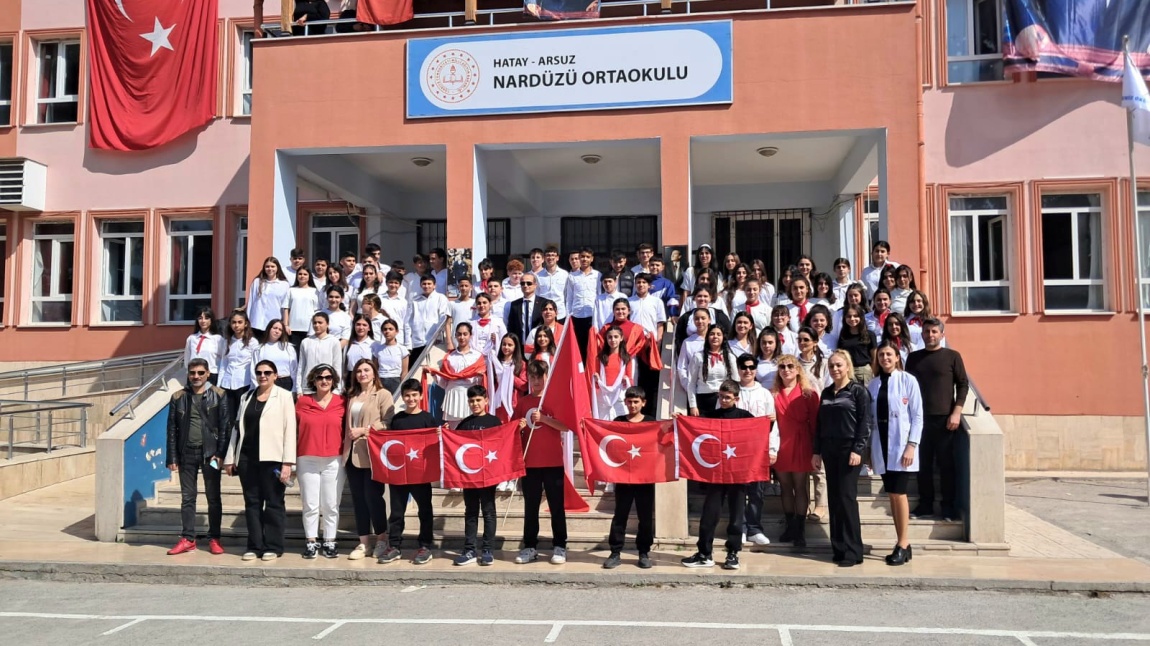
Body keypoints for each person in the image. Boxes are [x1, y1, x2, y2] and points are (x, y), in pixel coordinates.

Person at [224, 359, 296, 562]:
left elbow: (290, 430)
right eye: (259, 372)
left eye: (267, 372)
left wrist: (287, 462)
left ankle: (273, 546)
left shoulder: (283, 397)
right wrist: (231, 457)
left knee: (273, 503)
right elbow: (237, 428)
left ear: (275, 375)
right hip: (247, 458)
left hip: (272, 458)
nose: (262, 376)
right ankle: (255, 545)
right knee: (252, 503)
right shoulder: (247, 396)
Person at [682, 379, 755, 570]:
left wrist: (770, 422)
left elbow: (759, 434)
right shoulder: (711, 416)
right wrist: (679, 419)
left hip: (738, 474)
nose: (723, 400)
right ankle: (704, 553)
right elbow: (693, 427)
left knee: (737, 516)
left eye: (727, 398)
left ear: (736, 398)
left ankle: (733, 553)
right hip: (715, 474)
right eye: (721, 396)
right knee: (709, 514)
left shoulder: (746, 417)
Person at [165, 358, 232, 556]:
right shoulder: (178, 397)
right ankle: (187, 538)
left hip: (211, 453)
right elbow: (171, 430)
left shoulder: (219, 395)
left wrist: (220, 453)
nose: (196, 376)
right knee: (187, 498)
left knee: (213, 498)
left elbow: (225, 427)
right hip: (186, 453)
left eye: (200, 373)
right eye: (193, 373)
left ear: (208, 374)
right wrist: (172, 457)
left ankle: (214, 538)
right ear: (188, 374)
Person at [905, 318, 969, 522]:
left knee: (946, 465)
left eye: (934, 331)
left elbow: (963, 384)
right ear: (921, 334)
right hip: (918, 420)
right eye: (926, 332)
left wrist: (956, 412)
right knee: (922, 465)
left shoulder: (952, 356)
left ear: (942, 334)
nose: (930, 335)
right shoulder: (913, 358)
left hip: (944, 420)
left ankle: (948, 508)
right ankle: (925, 505)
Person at [814, 350, 872, 567]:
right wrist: (816, 451)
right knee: (834, 499)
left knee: (847, 499)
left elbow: (865, 423)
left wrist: (858, 450)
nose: (835, 369)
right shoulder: (827, 392)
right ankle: (838, 547)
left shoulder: (858, 391)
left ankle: (853, 550)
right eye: (831, 366)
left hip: (850, 450)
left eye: (839, 365)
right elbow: (819, 424)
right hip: (829, 450)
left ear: (847, 366)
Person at [869, 342, 923, 566]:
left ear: (897, 357)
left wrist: (912, 445)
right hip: (881, 444)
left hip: (901, 447)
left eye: (889, 354)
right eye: (881, 355)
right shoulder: (873, 384)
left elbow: (917, 416)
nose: (885, 358)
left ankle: (902, 543)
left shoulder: (908, 380)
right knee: (891, 494)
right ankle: (903, 544)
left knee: (899, 494)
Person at [514, 360, 569, 566]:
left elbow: (565, 426)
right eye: (533, 377)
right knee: (531, 507)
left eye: (540, 377)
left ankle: (560, 546)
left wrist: (544, 419)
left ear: (547, 377)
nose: (536, 381)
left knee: (556, 507)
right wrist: (518, 427)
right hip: (530, 464)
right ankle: (529, 546)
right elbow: (513, 429)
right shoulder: (523, 402)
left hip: (553, 462)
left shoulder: (554, 400)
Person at [377, 377, 437, 564]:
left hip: (421, 474)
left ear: (420, 396)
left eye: (414, 395)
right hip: (399, 474)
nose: (410, 399)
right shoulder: (397, 419)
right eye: (407, 395)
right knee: (396, 512)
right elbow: (390, 444)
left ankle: (425, 545)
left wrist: (440, 435)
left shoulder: (428, 418)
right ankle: (394, 546)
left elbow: (434, 446)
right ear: (402, 397)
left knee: (425, 510)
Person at [295, 364, 346, 560]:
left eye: (328, 377)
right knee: (310, 503)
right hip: (307, 458)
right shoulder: (302, 402)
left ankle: (330, 540)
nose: (324, 381)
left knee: (331, 503)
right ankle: (311, 541)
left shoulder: (342, 402)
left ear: (333, 381)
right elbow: (292, 429)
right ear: (313, 381)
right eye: (319, 377)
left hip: (334, 459)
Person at [602, 386, 656, 570]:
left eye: (636, 402)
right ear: (625, 402)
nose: (632, 405)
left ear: (643, 403)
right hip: (623, 477)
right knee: (620, 515)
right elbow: (607, 439)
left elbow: (663, 440)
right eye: (629, 401)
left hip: (645, 478)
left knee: (645, 516)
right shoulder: (618, 421)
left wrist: (674, 423)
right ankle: (615, 552)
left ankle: (644, 552)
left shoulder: (651, 422)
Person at [771, 354, 820, 548]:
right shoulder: (773, 393)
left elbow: (816, 423)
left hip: (801, 442)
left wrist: (817, 449)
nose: (786, 369)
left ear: (798, 369)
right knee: (784, 486)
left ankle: (800, 528)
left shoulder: (808, 393)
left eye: (790, 366)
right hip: (780, 441)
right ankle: (790, 525)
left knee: (800, 486)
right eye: (782, 367)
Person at [454, 385, 503, 566]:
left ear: (486, 401)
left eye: (478, 400)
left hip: (488, 476)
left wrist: (517, 429)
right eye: (472, 401)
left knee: (488, 512)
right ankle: (469, 550)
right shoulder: (464, 424)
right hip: (469, 477)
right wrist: (443, 433)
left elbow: (503, 444)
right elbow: (453, 444)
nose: (475, 404)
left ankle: (488, 549)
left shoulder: (494, 422)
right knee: (471, 512)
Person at [734, 354, 778, 547]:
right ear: (738, 368)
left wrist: (773, 449)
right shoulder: (731, 390)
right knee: (737, 492)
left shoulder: (765, 394)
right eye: (743, 367)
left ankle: (754, 528)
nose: (747, 371)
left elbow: (774, 424)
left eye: (751, 367)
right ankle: (739, 528)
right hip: (735, 450)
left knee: (756, 491)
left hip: (759, 450)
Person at [439, 322, 486, 425]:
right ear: (455, 336)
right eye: (459, 334)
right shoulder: (449, 357)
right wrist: (434, 374)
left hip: (471, 396)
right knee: (454, 432)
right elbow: (443, 383)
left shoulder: (478, 356)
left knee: (471, 431)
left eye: (465, 334)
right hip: (452, 397)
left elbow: (481, 383)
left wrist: (480, 375)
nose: (462, 337)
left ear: (470, 335)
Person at [686, 324, 737, 417]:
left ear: (723, 337)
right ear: (707, 336)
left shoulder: (730, 357)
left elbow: (735, 381)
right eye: (712, 334)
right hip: (703, 400)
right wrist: (693, 405)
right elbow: (691, 383)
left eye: (719, 334)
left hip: (723, 400)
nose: (715, 337)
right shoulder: (698, 356)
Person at [219, 310, 260, 415]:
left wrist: (254, 385)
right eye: (233, 322)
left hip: (244, 383)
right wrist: (219, 384)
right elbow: (224, 363)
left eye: (239, 322)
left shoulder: (252, 342)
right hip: (227, 383)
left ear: (246, 323)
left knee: (242, 415)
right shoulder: (226, 341)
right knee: (227, 416)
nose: (236, 325)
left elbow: (255, 364)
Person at [591, 324, 635, 421]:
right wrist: (596, 379)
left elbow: (630, 380)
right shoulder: (600, 358)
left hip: (619, 397)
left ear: (621, 338)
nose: (613, 340)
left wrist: (626, 380)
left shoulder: (626, 358)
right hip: (603, 397)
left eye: (616, 337)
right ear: (606, 339)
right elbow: (596, 380)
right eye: (610, 337)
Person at [674, 288, 731, 358]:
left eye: (705, 296)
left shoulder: (720, 316)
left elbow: (728, 335)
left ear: (710, 298)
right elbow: (679, 338)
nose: (702, 298)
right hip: (691, 353)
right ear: (695, 298)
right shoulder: (685, 317)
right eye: (699, 296)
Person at [297, 312, 343, 395]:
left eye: (320, 322)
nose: (317, 325)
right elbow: (301, 366)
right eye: (315, 323)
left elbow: (337, 366)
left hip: (327, 386)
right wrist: (298, 389)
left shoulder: (334, 342)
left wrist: (337, 389)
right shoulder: (305, 342)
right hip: (308, 387)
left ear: (327, 324)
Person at [245, 257, 290, 342]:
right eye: (267, 266)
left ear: (277, 268)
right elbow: (251, 301)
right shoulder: (257, 282)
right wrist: (247, 321)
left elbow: (285, 306)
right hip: (256, 323)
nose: (270, 269)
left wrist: (285, 323)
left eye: (272, 266)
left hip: (273, 324)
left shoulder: (284, 285)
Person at [566, 246, 600, 356]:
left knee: (591, 346)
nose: (584, 259)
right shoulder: (572, 276)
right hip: (577, 316)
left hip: (592, 315)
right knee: (579, 347)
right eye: (582, 257)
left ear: (592, 259)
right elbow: (569, 297)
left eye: (587, 257)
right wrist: (568, 315)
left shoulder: (597, 275)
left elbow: (599, 295)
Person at [409, 274, 452, 359]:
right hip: (417, 342)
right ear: (421, 285)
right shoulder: (415, 300)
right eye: (424, 284)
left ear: (434, 285)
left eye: (429, 284)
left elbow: (443, 319)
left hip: (434, 341)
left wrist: (437, 336)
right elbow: (409, 321)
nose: (427, 286)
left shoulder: (440, 298)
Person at [489, 333, 528, 424]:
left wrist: (509, 376)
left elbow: (524, 386)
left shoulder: (520, 364)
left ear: (515, 347)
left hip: (513, 403)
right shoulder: (496, 363)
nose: (506, 347)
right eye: (504, 344)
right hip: (498, 404)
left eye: (510, 345)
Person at [506, 273, 553, 346]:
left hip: (539, 345)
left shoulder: (544, 303)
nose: (525, 285)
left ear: (535, 285)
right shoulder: (514, 305)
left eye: (529, 283)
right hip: (520, 346)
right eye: (522, 283)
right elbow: (511, 327)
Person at [836, 305, 878, 385]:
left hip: (863, 371)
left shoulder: (869, 334)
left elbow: (874, 357)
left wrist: (872, 372)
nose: (852, 319)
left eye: (855, 316)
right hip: (847, 370)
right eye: (849, 316)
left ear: (861, 317)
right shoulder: (843, 335)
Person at [253, 319, 297, 392]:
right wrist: (257, 387)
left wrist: (295, 389)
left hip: (286, 383)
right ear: (269, 328)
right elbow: (254, 369)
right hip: (267, 382)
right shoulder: (259, 349)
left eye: (280, 330)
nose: (277, 331)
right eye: (275, 328)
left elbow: (294, 369)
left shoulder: (288, 348)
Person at [184, 307, 225, 384]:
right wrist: (189, 372)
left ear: (211, 320)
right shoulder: (191, 338)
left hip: (211, 375)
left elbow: (223, 359)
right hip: (194, 375)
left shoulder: (218, 339)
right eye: (200, 318)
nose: (203, 321)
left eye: (206, 318)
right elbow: (187, 358)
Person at [283, 268, 320, 351]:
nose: (302, 276)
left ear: (309, 276)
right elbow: (286, 308)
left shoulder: (314, 291)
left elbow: (317, 310)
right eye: (300, 274)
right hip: (293, 329)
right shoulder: (291, 290)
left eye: (305, 274)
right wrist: (286, 325)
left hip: (309, 328)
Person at [373, 318, 409, 394]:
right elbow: (375, 368)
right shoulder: (378, 349)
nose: (387, 331)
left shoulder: (402, 349)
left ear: (396, 331)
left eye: (390, 329)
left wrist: (403, 387)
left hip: (395, 380)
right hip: (380, 380)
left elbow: (404, 371)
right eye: (385, 329)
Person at [535, 245, 570, 321]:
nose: (550, 258)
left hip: (560, 313)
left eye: (553, 255)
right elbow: (536, 295)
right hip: (544, 313)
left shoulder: (565, 274)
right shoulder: (538, 276)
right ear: (544, 258)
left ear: (557, 258)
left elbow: (567, 295)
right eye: (548, 255)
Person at [379, 271, 410, 344]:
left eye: (396, 283)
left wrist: (408, 344)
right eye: (391, 282)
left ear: (400, 285)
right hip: (381, 338)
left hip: (398, 339)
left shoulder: (403, 302)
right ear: (386, 283)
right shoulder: (379, 299)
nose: (393, 285)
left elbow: (406, 323)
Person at [344, 314, 376, 383]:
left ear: (369, 328)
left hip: (367, 378)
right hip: (351, 379)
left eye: (364, 325)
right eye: (358, 324)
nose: (361, 327)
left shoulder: (374, 344)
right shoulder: (348, 344)